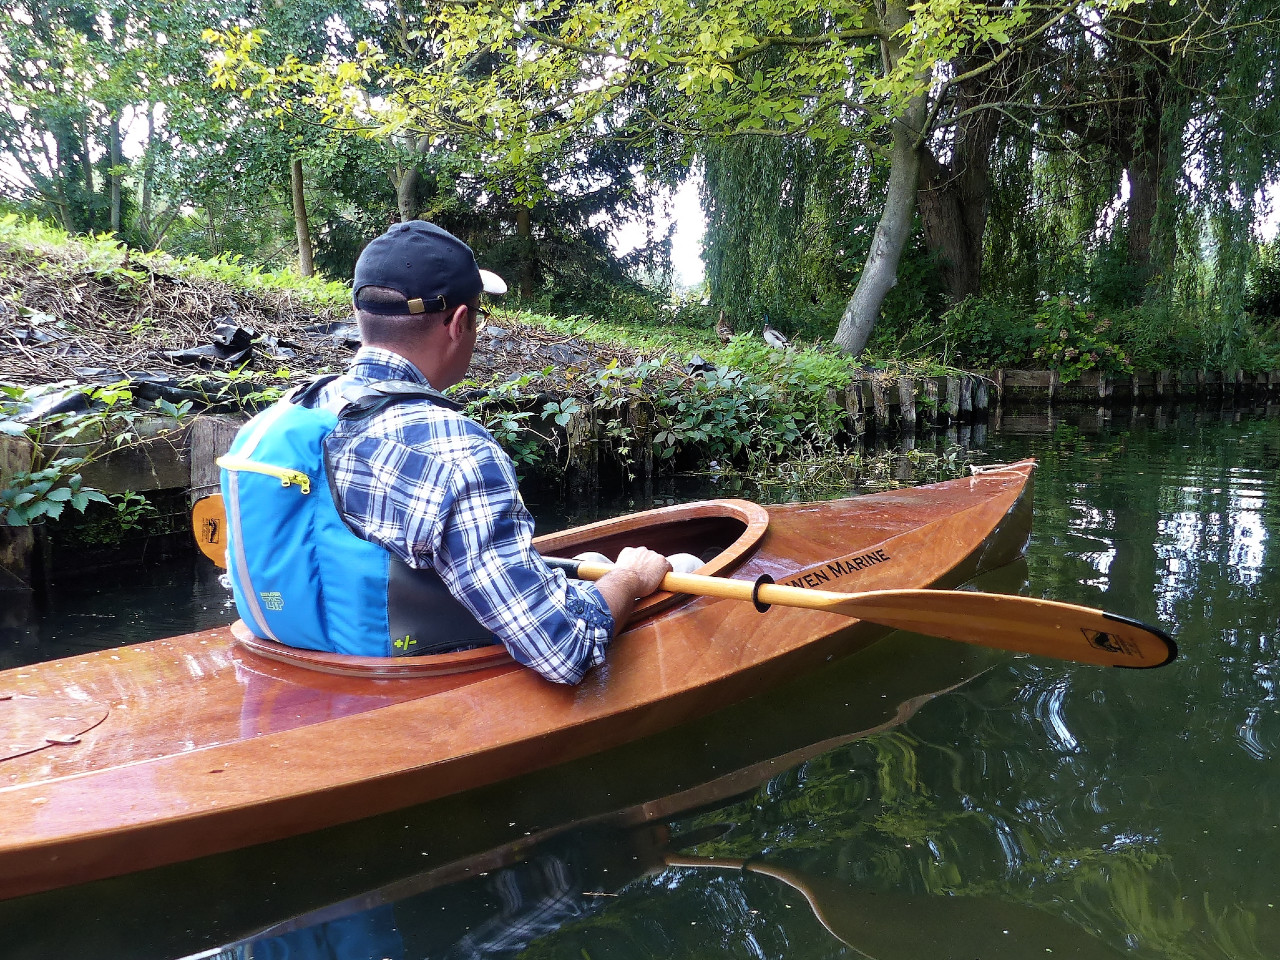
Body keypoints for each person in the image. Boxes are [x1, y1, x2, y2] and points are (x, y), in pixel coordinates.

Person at [219, 220, 670, 683]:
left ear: (360, 312)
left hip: (289, 665)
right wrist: (630, 580)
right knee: (661, 569)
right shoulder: (454, 451)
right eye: (479, 316)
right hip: (400, 693)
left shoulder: (274, 421)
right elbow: (563, 650)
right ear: (459, 324)